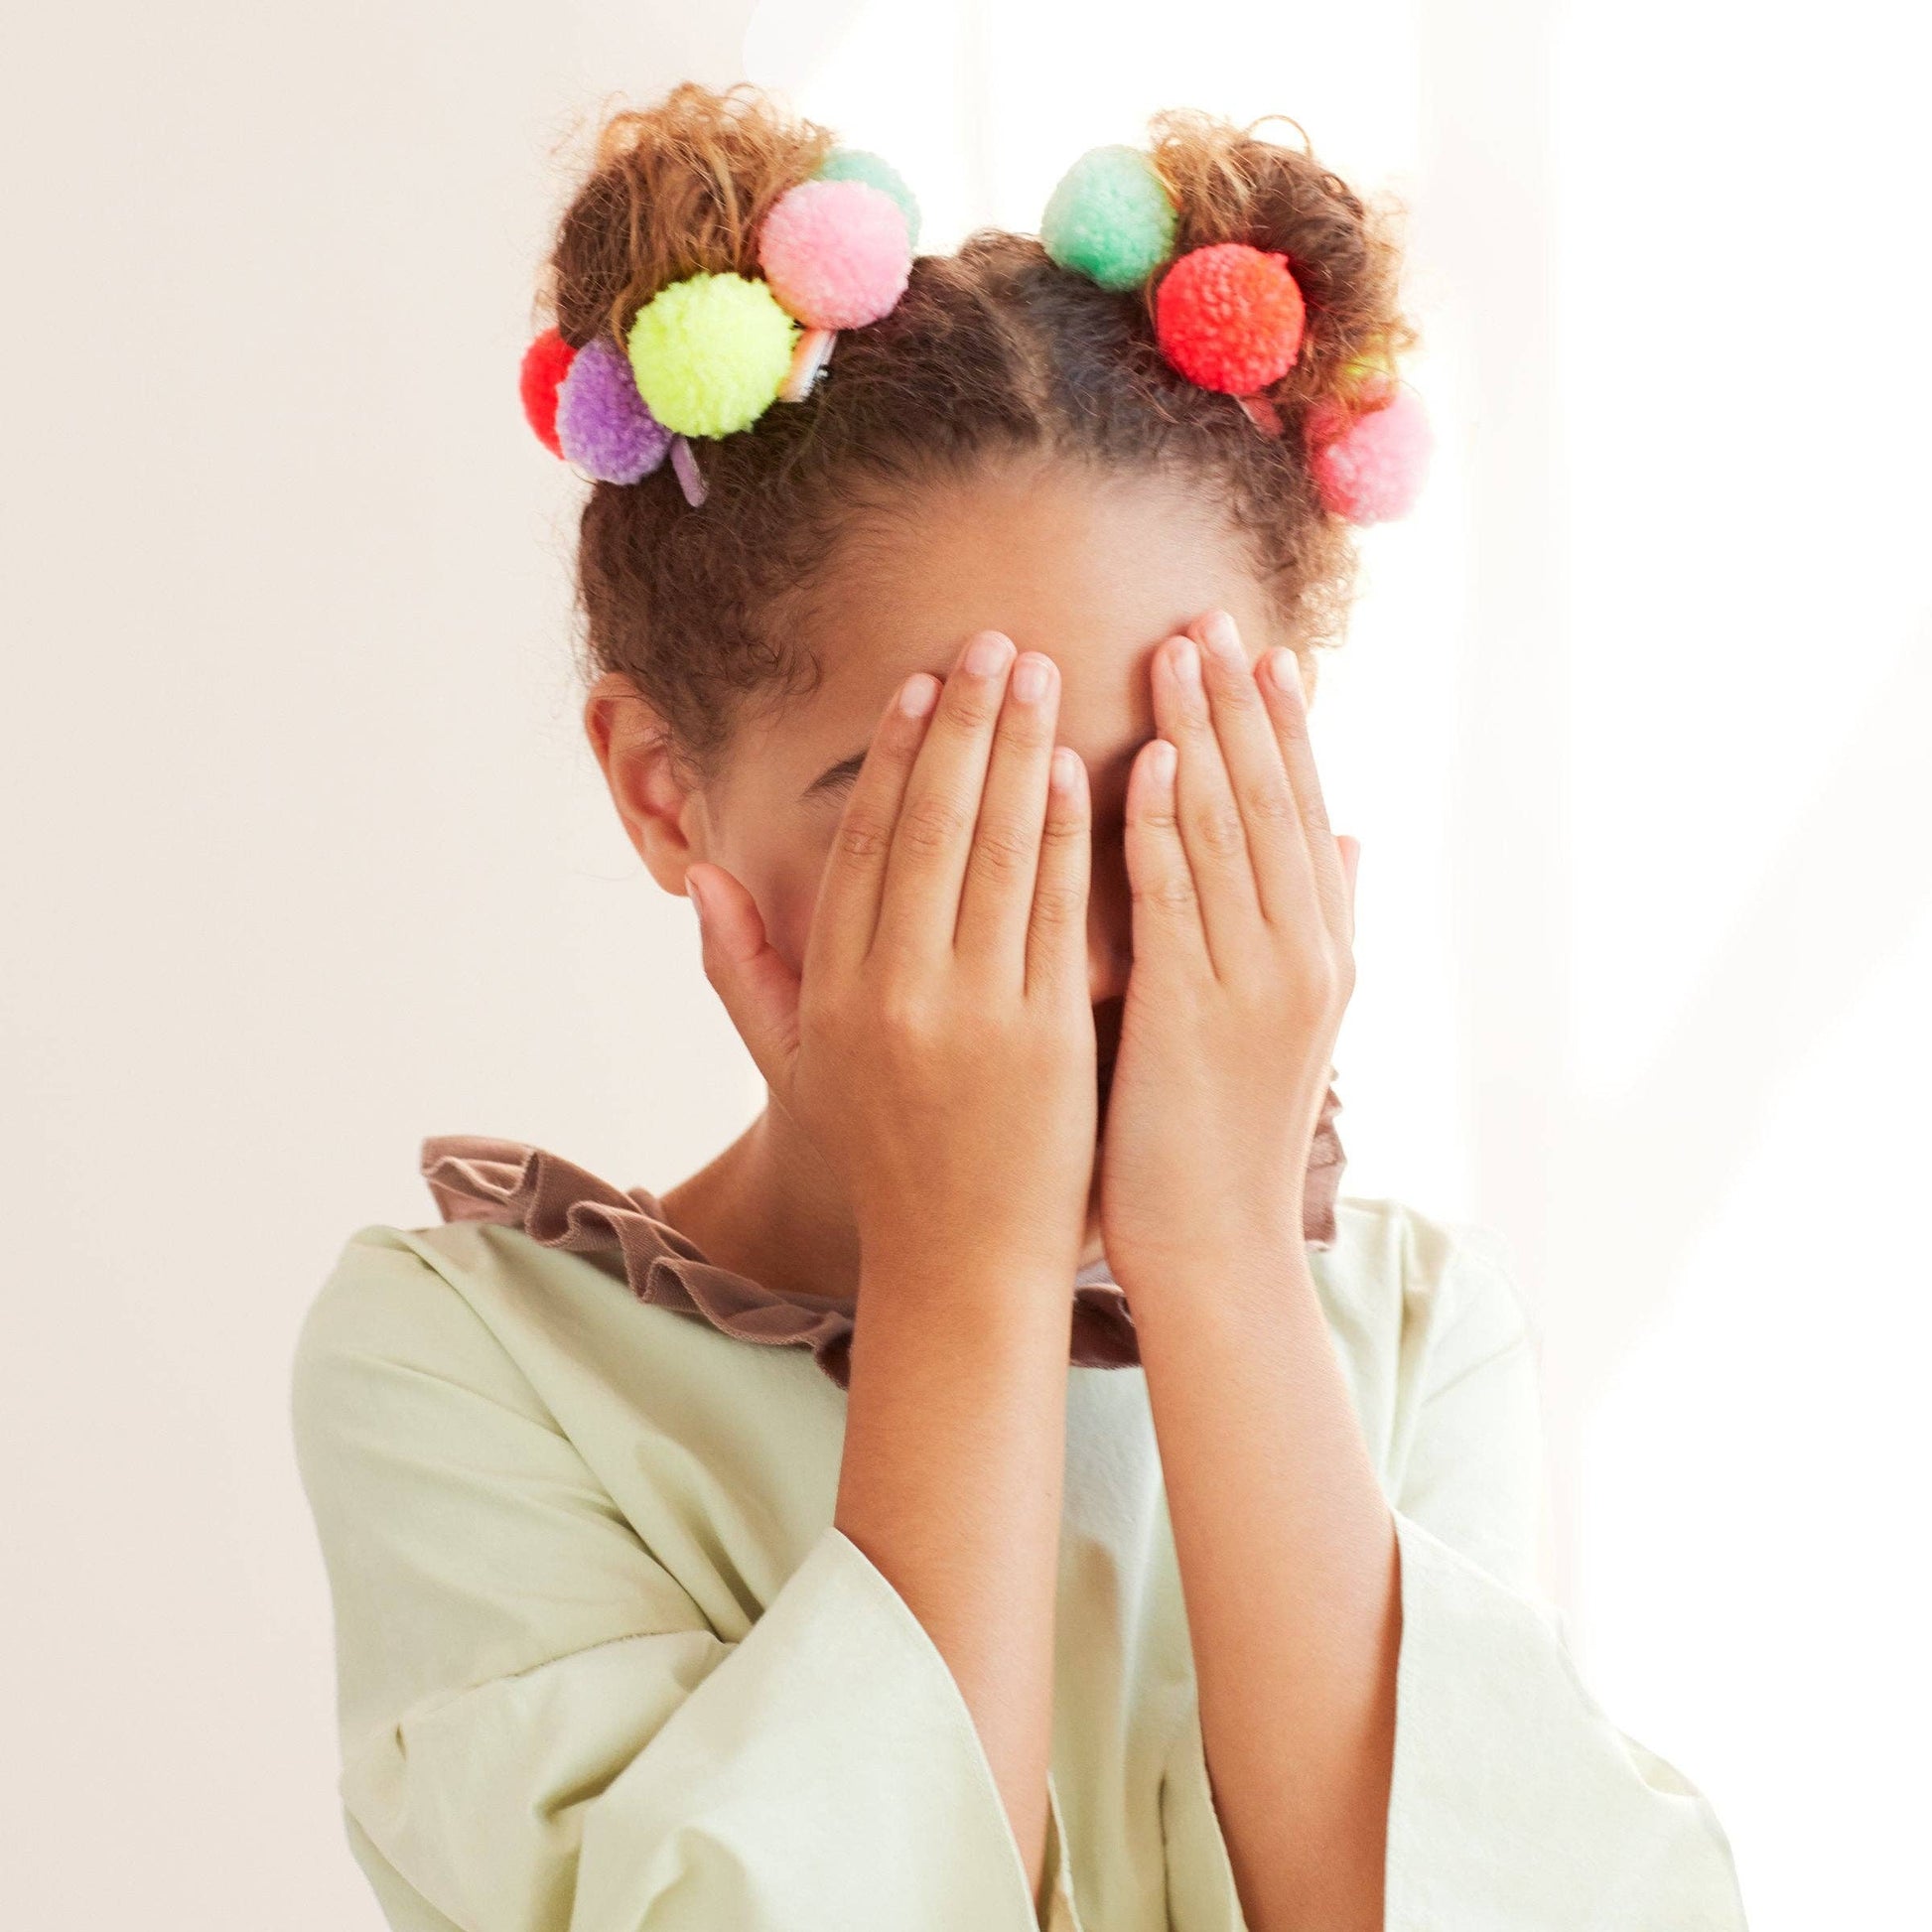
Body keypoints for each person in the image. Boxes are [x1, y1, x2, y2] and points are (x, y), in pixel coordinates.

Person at [290, 78, 1747, 1932]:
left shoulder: (1403, 1333)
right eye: (954, 815)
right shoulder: (471, 1363)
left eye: (1169, 800)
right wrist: (961, 1268)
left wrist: (1218, 1250)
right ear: (667, 791)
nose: (1079, 939)